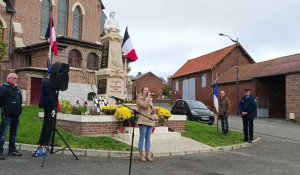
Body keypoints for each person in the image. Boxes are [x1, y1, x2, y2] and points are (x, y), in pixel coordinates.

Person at [0, 73, 23, 160]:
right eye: (14, 78)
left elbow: (20, 100)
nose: (16, 80)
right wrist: (5, 108)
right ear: (9, 78)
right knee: (2, 134)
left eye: (17, 78)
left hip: (16, 115)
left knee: (14, 133)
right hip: (7, 115)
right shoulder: (3, 88)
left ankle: (12, 150)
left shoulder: (17, 89)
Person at [36, 75, 57, 151]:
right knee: (49, 124)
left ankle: (42, 140)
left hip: (47, 106)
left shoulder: (46, 82)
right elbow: (50, 96)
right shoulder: (48, 83)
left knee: (47, 123)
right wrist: (53, 107)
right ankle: (47, 141)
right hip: (49, 107)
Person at [136, 87, 156, 162]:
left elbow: (150, 109)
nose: (147, 91)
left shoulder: (150, 99)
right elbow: (144, 106)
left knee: (148, 139)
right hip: (143, 121)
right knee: (142, 138)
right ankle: (142, 155)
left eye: (148, 90)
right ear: (142, 91)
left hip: (150, 121)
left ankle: (148, 155)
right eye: (145, 90)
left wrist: (154, 112)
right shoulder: (139, 99)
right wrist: (148, 98)